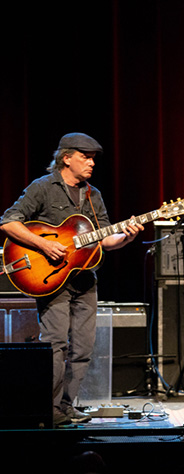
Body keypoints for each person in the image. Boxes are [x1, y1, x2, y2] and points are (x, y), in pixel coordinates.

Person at [0, 132, 143, 426]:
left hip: (85, 279)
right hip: (51, 279)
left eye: (93, 158)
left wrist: (126, 237)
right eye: (85, 157)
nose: (92, 163)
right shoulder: (43, 187)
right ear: (66, 158)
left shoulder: (93, 195)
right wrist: (44, 245)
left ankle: (66, 406)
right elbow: (9, 222)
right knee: (55, 344)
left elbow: (104, 240)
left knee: (83, 348)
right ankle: (49, 409)